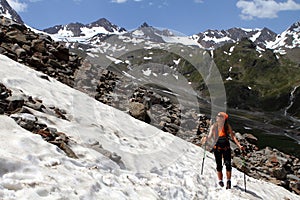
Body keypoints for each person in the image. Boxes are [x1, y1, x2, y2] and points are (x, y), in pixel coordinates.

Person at [203, 112, 244, 189]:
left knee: (228, 165)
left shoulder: (227, 126)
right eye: (218, 116)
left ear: (223, 119)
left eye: (220, 116)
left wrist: (239, 145)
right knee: (219, 165)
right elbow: (210, 135)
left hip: (226, 148)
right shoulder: (214, 126)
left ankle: (228, 181)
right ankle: (220, 181)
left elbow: (233, 136)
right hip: (217, 148)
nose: (218, 117)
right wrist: (206, 139)